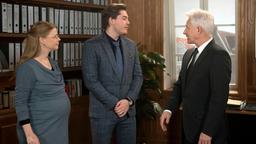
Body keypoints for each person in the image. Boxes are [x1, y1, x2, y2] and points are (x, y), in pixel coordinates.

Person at [160, 9, 231, 144]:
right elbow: (180, 86)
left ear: (198, 29)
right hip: (188, 129)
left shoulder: (219, 56)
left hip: (207, 134)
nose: (184, 32)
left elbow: (219, 98)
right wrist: (169, 109)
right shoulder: (188, 54)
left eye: (187, 27)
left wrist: (208, 131)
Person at [82, 3, 143, 144]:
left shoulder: (131, 45)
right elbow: (91, 81)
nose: (128, 22)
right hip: (102, 113)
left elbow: (138, 76)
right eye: (124, 18)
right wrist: (115, 103)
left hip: (128, 113)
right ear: (111, 20)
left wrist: (128, 100)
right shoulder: (91, 46)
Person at [15, 21, 70, 144]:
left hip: (59, 127)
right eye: (55, 36)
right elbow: (20, 102)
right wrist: (29, 134)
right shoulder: (27, 68)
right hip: (40, 128)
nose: (59, 39)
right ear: (42, 40)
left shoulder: (53, 62)